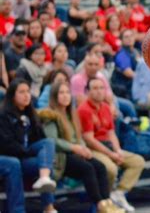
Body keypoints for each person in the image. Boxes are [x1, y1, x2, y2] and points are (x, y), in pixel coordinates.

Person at [39, 82, 124, 213]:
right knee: (87, 168)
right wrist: (75, 148)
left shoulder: (71, 114)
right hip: (60, 157)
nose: (65, 96)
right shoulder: (50, 115)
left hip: (75, 153)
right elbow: (53, 141)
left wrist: (84, 149)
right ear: (55, 96)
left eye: (67, 92)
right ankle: (100, 204)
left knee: (100, 166)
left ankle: (107, 202)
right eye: (61, 93)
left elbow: (79, 137)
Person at [78, 77, 145, 212]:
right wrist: (111, 155)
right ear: (88, 92)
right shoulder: (84, 110)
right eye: (95, 88)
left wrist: (118, 150)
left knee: (138, 161)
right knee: (110, 169)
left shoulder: (106, 107)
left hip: (109, 146)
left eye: (101, 88)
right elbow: (89, 139)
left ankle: (118, 194)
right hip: (93, 148)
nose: (99, 91)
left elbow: (111, 132)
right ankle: (105, 201)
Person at [0, 79, 57, 213]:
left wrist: (44, 156)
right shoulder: (3, 115)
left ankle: (48, 206)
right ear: (13, 96)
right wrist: (27, 151)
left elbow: (40, 138)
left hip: (24, 154)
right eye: (22, 92)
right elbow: (6, 145)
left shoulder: (30, 113)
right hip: (12, 155)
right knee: (14, 164)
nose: (26, 95)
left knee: (47, 152)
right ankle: (18, 210)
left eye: (28, 91)